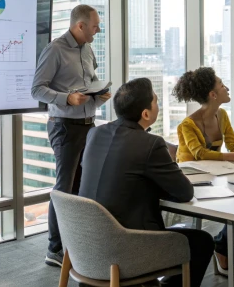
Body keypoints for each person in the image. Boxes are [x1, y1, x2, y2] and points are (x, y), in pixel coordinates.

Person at [79, 78, 214, 287]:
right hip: (127, 245)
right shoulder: (150, 144)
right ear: (145, 114)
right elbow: (185, 192)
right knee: (201, 241)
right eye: (156, 101)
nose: (158, 106)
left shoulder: (95, 133)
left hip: (88, 245)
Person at [30, 4, 112, 268]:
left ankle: (75, 246)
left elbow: (89, 87)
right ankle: (54, 249)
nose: (98, 30)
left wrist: (99, 95)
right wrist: (66, 97)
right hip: (64, 126)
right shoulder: (55, 49)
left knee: (82, 187)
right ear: (80, 26)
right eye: (95, 25)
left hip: (88, 125)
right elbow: (37, 90)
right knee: (64, 189)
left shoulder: (88, 50)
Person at [173, 67, 234, 277]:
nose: (227, 88)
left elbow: (233, 146)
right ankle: (221, 248)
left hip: (215, 174)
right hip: (191, 178)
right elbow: (198, 154)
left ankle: (222, 246)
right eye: (222, 85)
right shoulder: (187, 124)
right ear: (213, 94)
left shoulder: (222, 115)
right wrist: (233, 157)